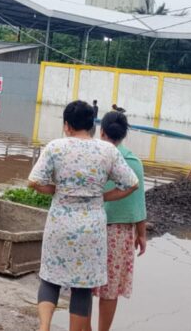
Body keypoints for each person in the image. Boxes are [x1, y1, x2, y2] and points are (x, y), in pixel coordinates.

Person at [29, 100, 139, 331]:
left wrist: (56, 190)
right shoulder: (107, 151)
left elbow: (34, 181)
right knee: (82, 288)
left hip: (60, 223)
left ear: (67, 125)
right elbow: (132, 184)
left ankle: (44, 326)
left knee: (50, 279)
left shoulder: (55, 147)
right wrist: (103, 196)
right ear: (92, 125)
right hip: (91, 228)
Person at [92, 111, 146, 331]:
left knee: (82, 284)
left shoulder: (93, 156)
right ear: (124, 135)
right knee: (110, 289)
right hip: (120, 233)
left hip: (90, 226)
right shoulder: (133, 162)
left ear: (102, 131)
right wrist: (142, 234)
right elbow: (138, 203)